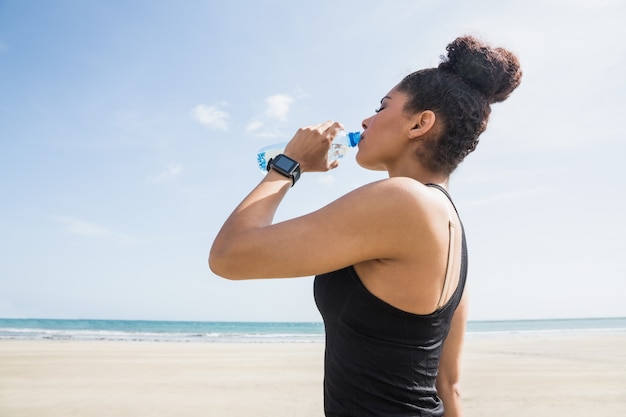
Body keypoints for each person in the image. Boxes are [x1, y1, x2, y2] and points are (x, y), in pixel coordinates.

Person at [209, 35, 522, 417]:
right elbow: (448, 385)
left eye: (382, 107)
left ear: (420, 124)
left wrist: (289, 164)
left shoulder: (402, 200)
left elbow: (229, 256)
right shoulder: (450, 226)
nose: (366, 120)